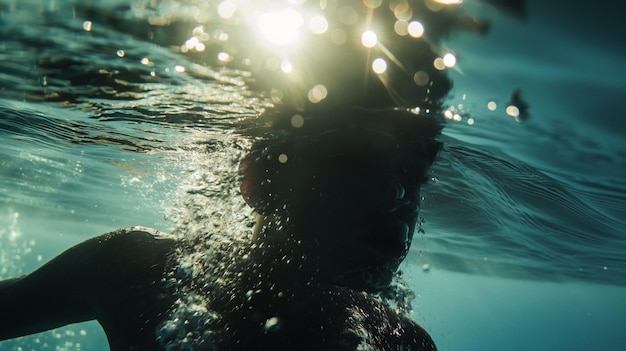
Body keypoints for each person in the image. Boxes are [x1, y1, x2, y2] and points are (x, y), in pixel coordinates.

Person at [0, 105, 442, 350]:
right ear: (256, 181)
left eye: (414, 174)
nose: (395, 197)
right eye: (353, 161)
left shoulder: (403, 344)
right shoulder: (133, 271)